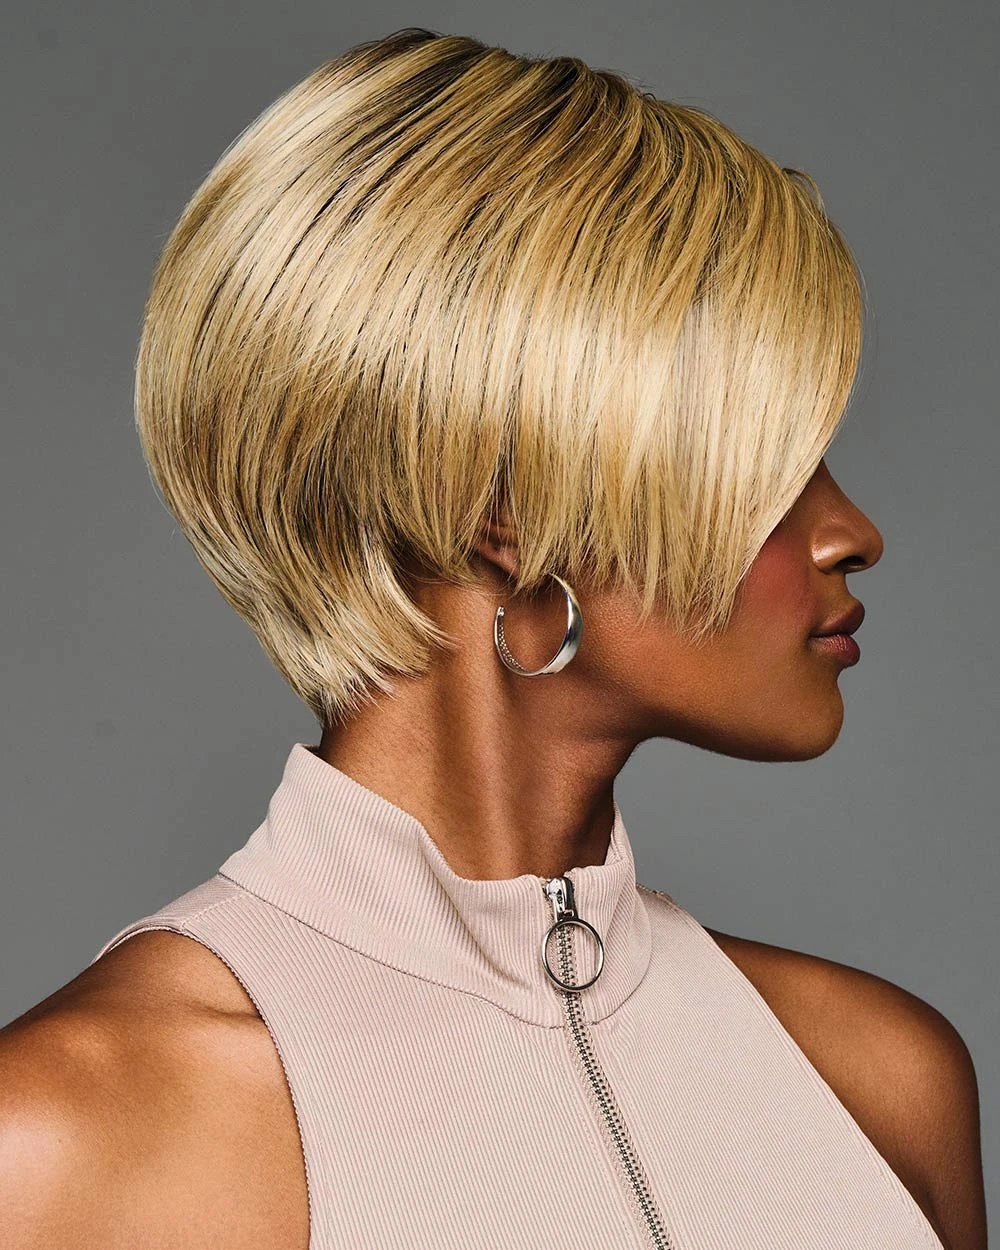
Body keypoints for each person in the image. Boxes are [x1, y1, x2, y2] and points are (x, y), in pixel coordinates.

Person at [0, 26, 986, 1250]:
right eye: (769, 461)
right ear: (506, 512)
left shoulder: (877, 1082)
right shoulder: (68, 1139)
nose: (851, 532)